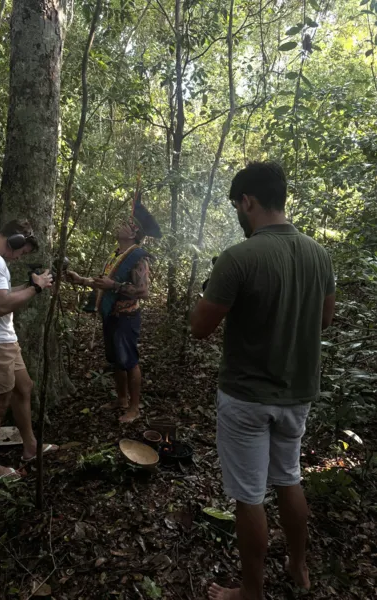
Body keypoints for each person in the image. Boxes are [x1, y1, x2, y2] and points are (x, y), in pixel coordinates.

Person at [190, 162, 335, 600]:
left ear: (247, 201)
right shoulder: (318, 254)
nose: (238, 212)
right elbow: (324, 320)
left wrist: (209, 291)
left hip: (247, 397)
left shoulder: (239, 257)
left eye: (237, 204)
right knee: (289, 478)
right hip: (298, 395)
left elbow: (199, 327)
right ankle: (298, 566)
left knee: (249, 498)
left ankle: (250, 592)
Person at [0, 219, 58, 483]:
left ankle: (30, 447)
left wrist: (32, 286)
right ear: (15, 240)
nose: (18, 257)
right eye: (21, 251)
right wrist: (34, 288)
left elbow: (0, 294)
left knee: (23, 387)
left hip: (3, 341)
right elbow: (1, 306)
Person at [66, 193, 162, 423]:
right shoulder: (116, 254)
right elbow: (104, 283)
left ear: (134, 233)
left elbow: (144, 292)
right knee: (115, 359)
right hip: (110, 315)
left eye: (126, 224)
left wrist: (116, 286)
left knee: (129, 361)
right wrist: (80, 280)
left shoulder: (138, 258)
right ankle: (121, 399)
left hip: (126, 317)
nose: (121, 225)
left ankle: (135, 408)